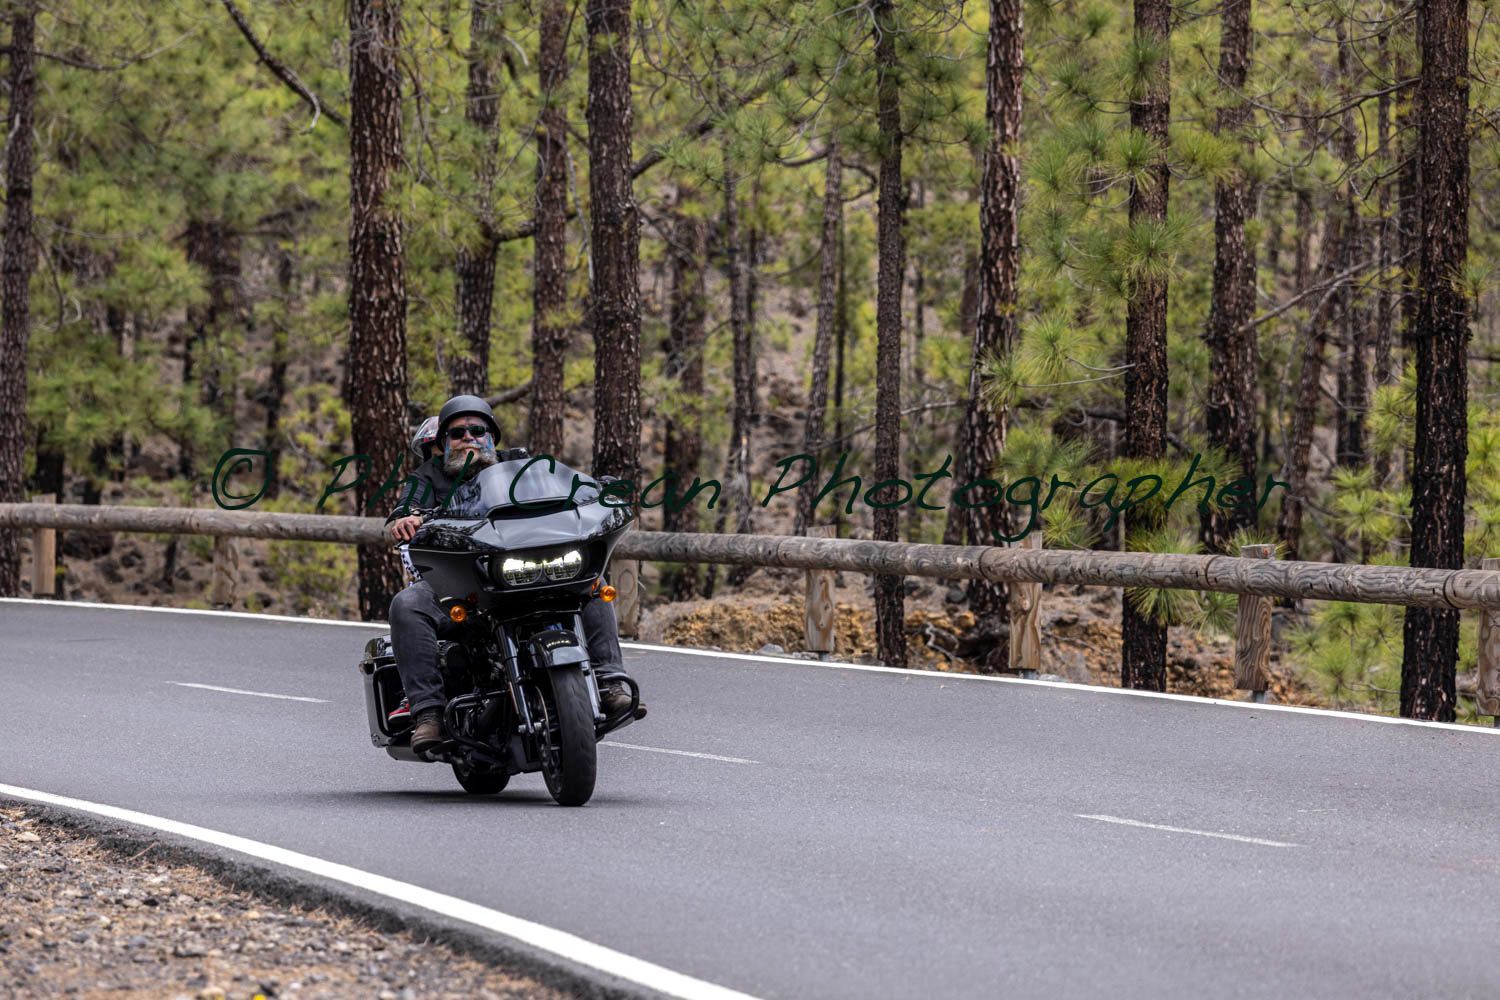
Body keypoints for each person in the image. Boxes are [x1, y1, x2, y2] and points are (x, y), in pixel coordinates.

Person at [385, 394, 642, 756]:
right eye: (458, 433)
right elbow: (404, 508)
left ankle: (609, 680)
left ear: (492, 436)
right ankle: (428, 713)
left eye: (478, 430)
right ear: (443, 444)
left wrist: (595, 492)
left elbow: (566, 488)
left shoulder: (521, 464)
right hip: (464, 581)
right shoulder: (426, 477)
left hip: (529, 569)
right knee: (407, 604)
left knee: (593, 585)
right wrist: (406, 519)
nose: (469, 438)